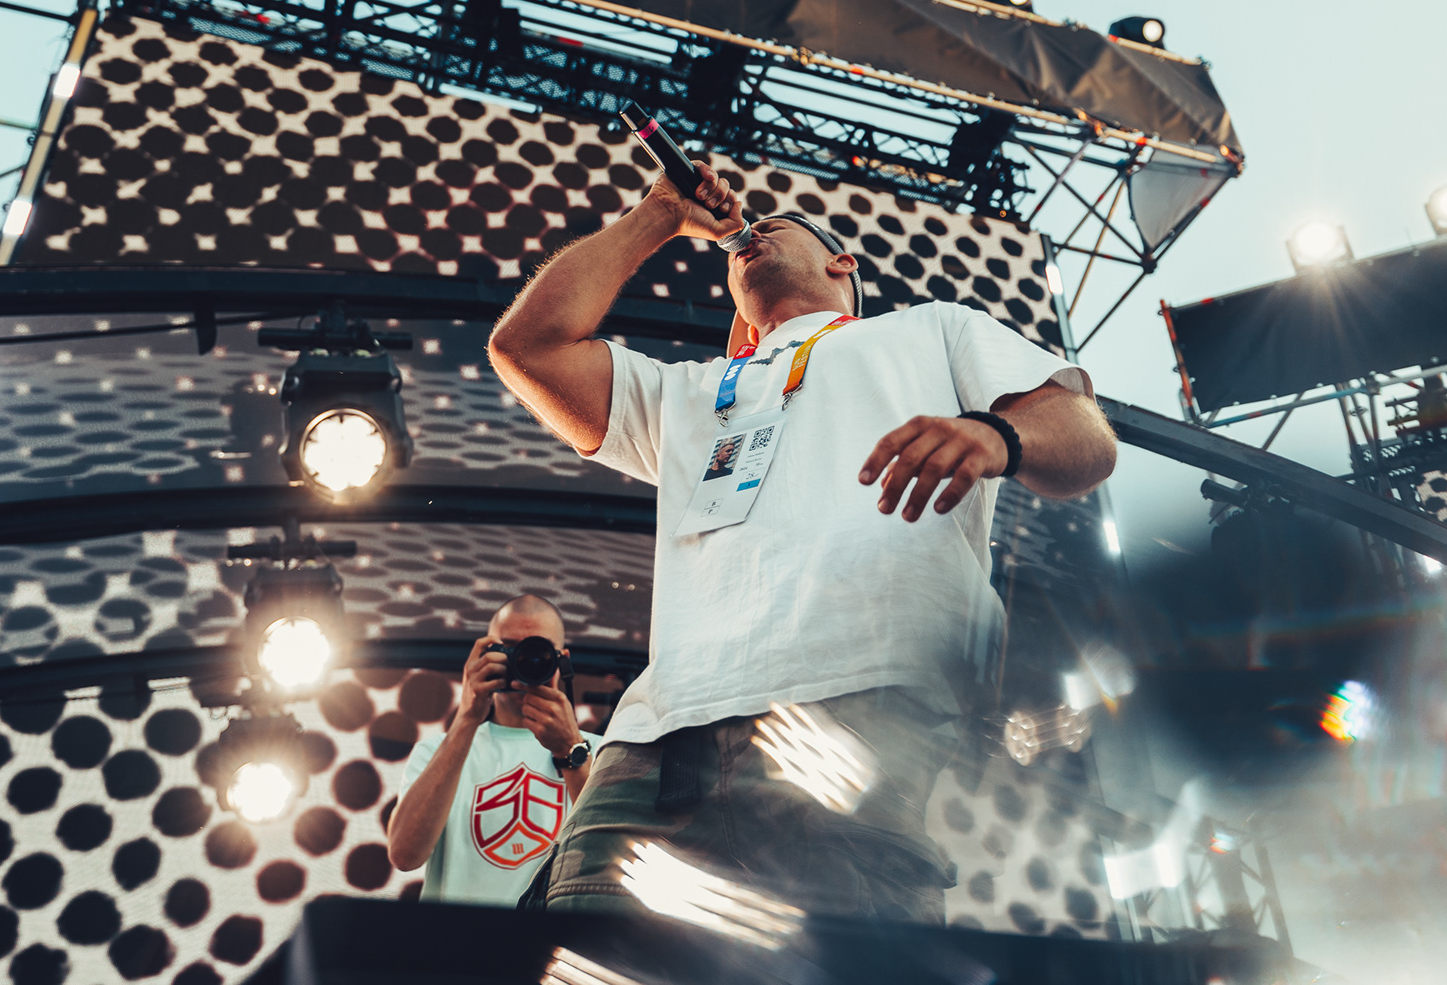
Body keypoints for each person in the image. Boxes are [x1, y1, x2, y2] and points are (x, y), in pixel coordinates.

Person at [486, 161, 1118, 921]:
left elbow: (1087, 441)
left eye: (778, 226)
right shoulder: (692, 390)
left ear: (841, 263)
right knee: (589, 961)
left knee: (836, 962)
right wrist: (658, 215)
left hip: (852, 716)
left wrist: (995, 435)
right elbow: (529, 347)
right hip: (656, 745)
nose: (751, 235)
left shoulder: (930, 330)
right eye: (743, 239)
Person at [387, 594, 600, 905]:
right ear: (484, 654)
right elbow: (404, 855)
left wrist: (572, 751)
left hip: (552, 936)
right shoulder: (436, 752)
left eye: (538, 651)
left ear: (562, 660)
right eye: (509, 650)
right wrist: (466, 718)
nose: (524, 662)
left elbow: (609, 854)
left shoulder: (601, 752)